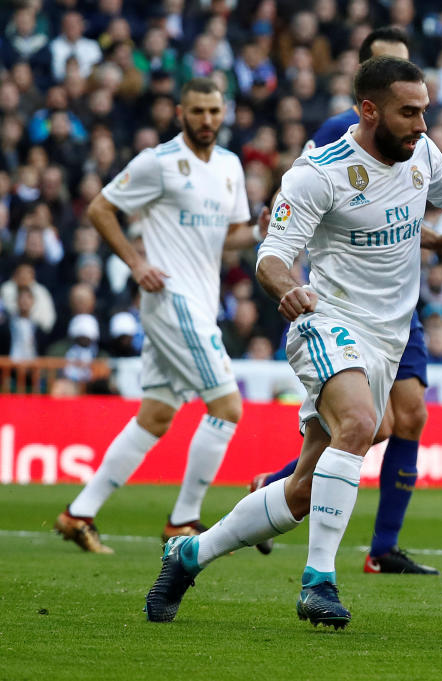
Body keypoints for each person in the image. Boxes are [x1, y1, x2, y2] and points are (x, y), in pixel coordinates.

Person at [144, 56, 442, 628]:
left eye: (424, 111)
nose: (421, 124)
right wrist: (289, 289)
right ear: (368, 109)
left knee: (303, 489)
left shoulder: (422, 155)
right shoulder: (319, 172)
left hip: (387, 340)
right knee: (362, 425)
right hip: (326, 320)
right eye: (408, 112)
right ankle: (319, 582)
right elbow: (272, 257)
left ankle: (189, 554)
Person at [248, 27, 442, 573]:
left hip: (399, 307)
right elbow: (305, 198)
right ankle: (280, 492)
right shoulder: (338, 136)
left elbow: (405, 211)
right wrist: (279, 239)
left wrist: (434, 239)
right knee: (376, 425)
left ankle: (383, 547)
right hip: (348, 304)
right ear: (366, 88)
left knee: (405, 419)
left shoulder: (415, 138)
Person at [55, 78, 263, 554]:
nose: (207, 120)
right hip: (172, 300)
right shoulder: (159, 163)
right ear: (179, 113)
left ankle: (78, 514)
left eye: (214, 111)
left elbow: (227, 236)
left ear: (224, 111)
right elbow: (100, 208)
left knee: (156, 415)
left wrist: (256, 230)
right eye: (197, 111)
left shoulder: (231, 166)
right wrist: (136, 262)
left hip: (201, 302)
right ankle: (183, 521)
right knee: (228, 408)